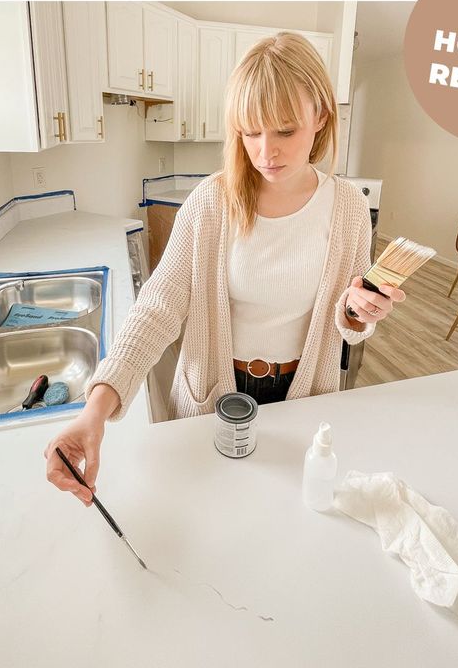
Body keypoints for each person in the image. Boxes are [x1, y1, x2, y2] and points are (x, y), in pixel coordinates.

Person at [45, 31, 404, 506]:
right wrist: (95, 408)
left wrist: (361, 312)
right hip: (212, 397)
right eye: (250, 131)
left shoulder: (348, 211)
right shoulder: (212, 202)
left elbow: (348, 321)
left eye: (284, 130)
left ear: (321, 116)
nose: (265, 152)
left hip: (305, 397)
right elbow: (158, 308)